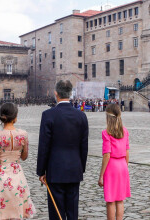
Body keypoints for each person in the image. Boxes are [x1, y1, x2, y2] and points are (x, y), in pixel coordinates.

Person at [37, 80, 89, 219]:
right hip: (74, 168)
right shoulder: (81, 116)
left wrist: (41, 171)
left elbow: (44, 145)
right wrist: (81, 167)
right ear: (70, 94)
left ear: (56, 93)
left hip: (55, 169)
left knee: (56, 213)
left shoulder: (48, 115)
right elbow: (84, 147)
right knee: (72, 211)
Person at [0, 102, 36, 219]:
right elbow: (24, 157)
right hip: (18, 177)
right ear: (15, 117)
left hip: (2, 179)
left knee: (2, 215)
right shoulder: (23, 134)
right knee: (17, 214)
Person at [98, 104, 131, 220]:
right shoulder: (125, 131)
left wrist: (101, 175)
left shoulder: (106, 133)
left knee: (111, 200)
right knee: (120, 200)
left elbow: (107, 155)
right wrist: (125, 166)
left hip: (111, 166)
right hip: (122, 165)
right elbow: (127, 152)